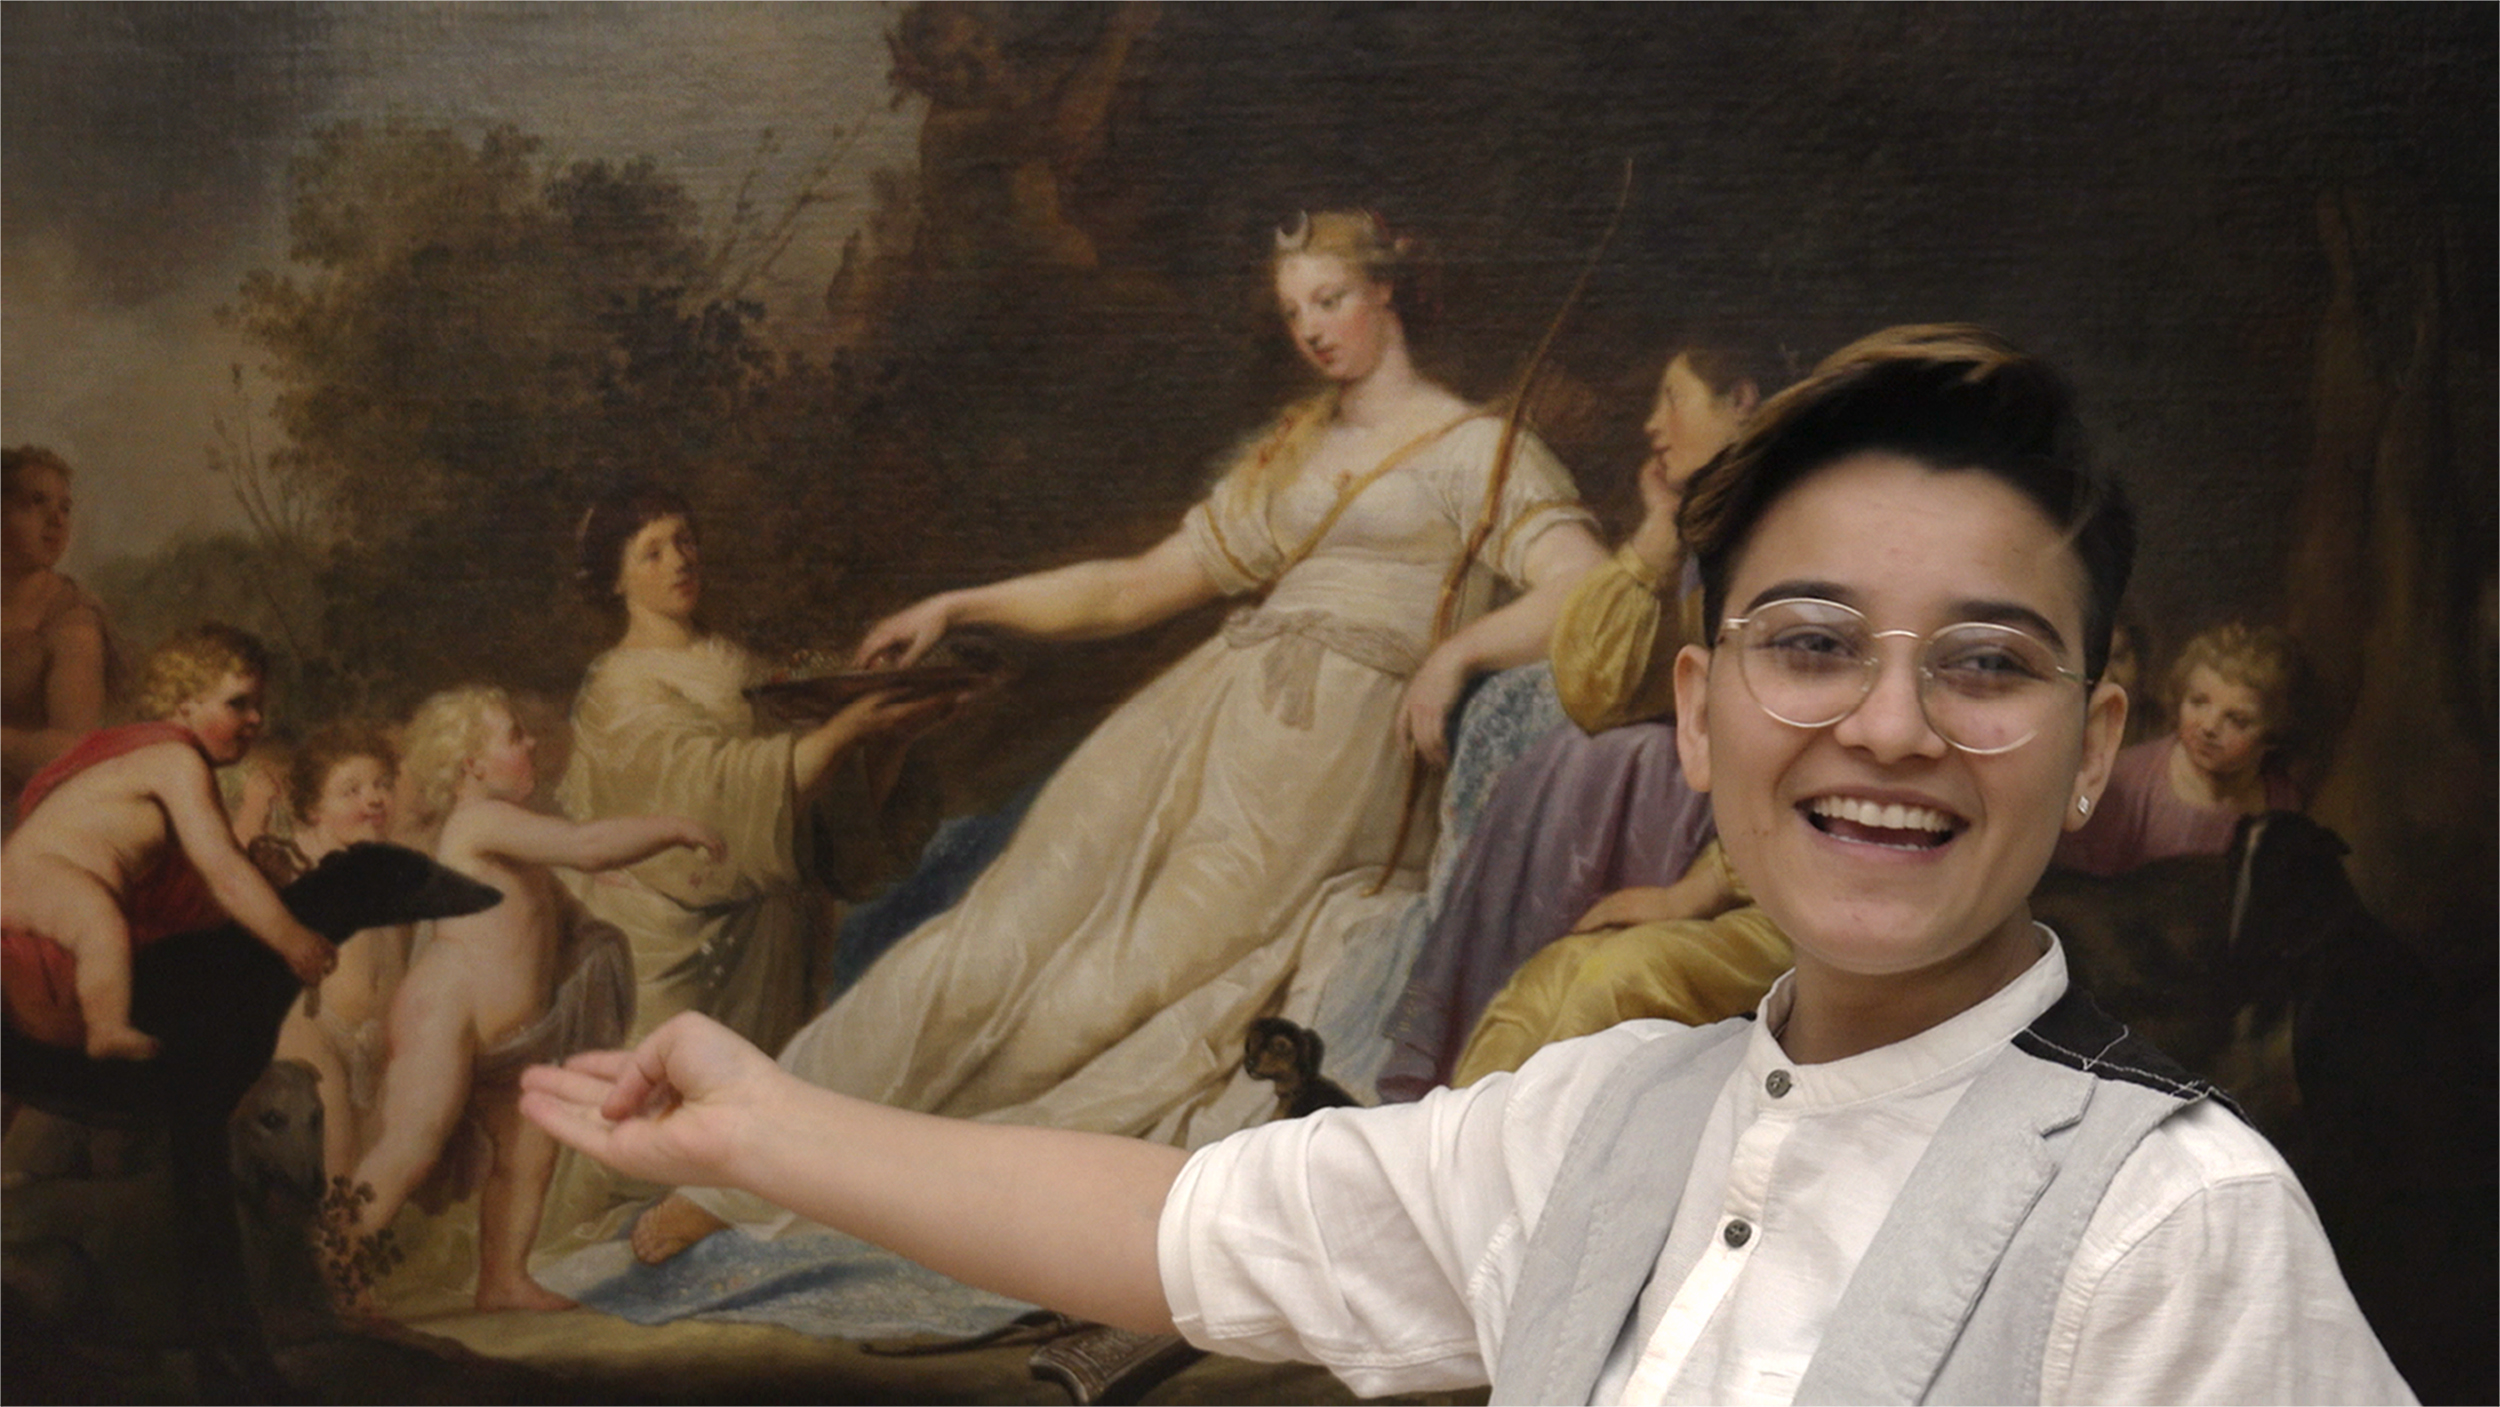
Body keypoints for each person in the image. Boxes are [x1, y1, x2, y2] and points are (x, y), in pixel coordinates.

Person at [523, 325, 2410, 1404]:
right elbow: (1181, 1232)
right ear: (1697, 709)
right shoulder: (1591, 1115)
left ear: (2095, 748)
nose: (1891, 729)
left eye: (1988, 663)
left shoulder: (2181, 1230)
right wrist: (760, 1127)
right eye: (1812, 642)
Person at [626, 207, 1607, 1262]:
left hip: (1317, 777)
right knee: (985, 945)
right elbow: (1131, 589)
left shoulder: (1479, 452)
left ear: (1387, 292)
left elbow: (1585, 583)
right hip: (1190, 728)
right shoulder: (1290, 453)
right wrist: (964, 603)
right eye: (1291, 313)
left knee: (1097, 1001)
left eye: (1329, 301)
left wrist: (1456, 654)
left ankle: (851, 1191)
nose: (1312, 330)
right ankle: (746, 1156)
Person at [1381, 340, 1784, 1100]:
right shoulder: (1709, 531)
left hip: (1761, 858)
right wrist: (1659, 529)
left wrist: (1691, 895)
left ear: (1743, 399)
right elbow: (1594, 687)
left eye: (1674, 398)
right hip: (1718, 816)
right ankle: (1448, 1144)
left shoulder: (1791, 543)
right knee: (1536, 989)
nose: (1653, 425)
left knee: (1601, 953)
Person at [324, 685, 724, 1313]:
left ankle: (503, 1280)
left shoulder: (509, 834)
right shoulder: (478, 820)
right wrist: (671, 827)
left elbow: (544, 905)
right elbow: (586, 844)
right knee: (406, 1148)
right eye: (513, 735)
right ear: (471, 765)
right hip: (446, 1017)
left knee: (527, 1156)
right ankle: (332, 1278)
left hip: (518, 1035)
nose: (532, 741)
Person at [557, 485, 950, 1053]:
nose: (681, 560)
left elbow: (821, 813)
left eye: (685, 541)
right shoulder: (617, 689)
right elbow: (712, 797)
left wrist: (886, 740)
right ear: (616, 580)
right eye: (653, 552)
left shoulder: (737, 664)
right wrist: (843, 732)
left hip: (776, 951)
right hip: (682, 971)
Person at [1, 624, 333, 1061]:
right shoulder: (176, 761)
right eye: (238, 703)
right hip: (41, 874)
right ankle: (107, 1029)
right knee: (98, 921)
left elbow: (207, 877)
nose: (256, 719)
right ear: (184, 705)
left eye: (259, 705)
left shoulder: (150, 757)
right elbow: (224, 870)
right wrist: (292, 939)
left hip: (31, 875)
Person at [261, 721, 413, 1178]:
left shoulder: (390, 867)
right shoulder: (291, 863)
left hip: (377, 1045)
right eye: (351, 791)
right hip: (315, 1035)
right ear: (312, 808)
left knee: (376, 1176)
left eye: (381, 785)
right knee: (337, 1176)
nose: (373, 798)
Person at [2053, 619, 2305, 876]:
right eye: (2198, 702)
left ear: (2272, 733)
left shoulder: (2282, 801)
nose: (2209, 727)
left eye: (2237, 720)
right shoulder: (2125, 785)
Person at [2, 446, 113, 831]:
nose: (56, 520)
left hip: (27, 820)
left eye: (65, 508)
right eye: (35, 502)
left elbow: (74, 751)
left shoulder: (72, 619)